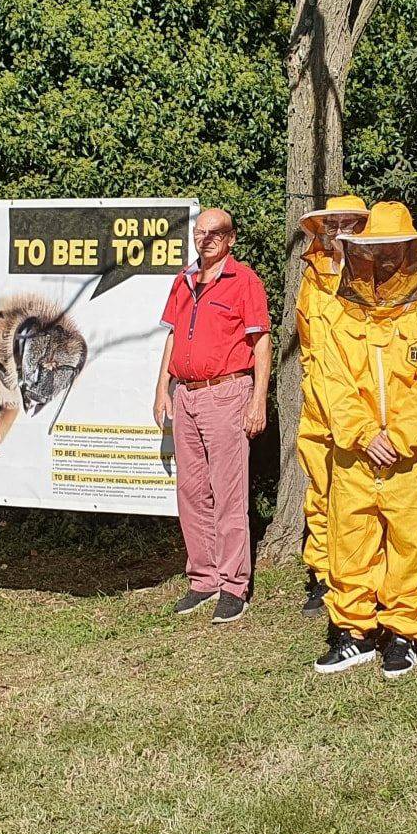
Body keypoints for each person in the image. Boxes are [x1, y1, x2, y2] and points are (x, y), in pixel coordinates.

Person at [310, 202, 417, 678]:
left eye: (396, 248)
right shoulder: (337, 309)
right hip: (356, 452)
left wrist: (402, 437)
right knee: (351, 539)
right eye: (378, 249)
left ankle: (405, 631)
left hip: (414, 456)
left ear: (412, 250)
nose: (387, 258)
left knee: (412, 541)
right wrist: (365, 434)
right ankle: (354, 632)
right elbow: (332, 380)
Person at [153, 208, 271, 625]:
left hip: (227, 393)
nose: (205, 239)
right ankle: (202, 579)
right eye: (200, 232)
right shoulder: (182, 281)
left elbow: (260, 345)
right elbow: (172, 336)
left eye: (215, 233)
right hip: (186, 395)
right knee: (192, 491)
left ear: (231, 238)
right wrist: (161, 389)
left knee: (229, 492)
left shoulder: (246, 282)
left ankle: (233, 585)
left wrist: (258, 400)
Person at [295, 195, 370, 614]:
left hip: (359, 404)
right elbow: (309, 343)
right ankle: (322, 575)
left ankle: (359, 574)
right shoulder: (313, 277)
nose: (341, 230)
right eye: (335, 223)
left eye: (350, 223)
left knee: (359, 491)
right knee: (320, 488)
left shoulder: (380, 274)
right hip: (319, 403)